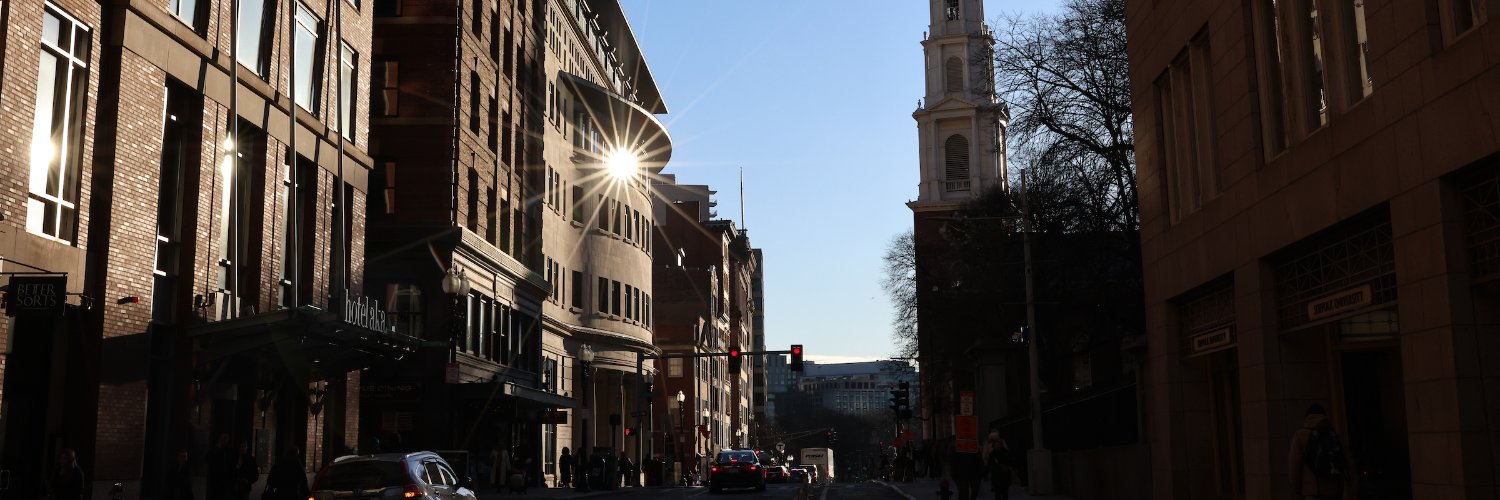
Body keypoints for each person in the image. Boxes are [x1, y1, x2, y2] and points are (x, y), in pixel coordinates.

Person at [1288, 404, 1349, 500]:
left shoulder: (1300, 435)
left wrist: (1298, 491)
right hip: (1334, 491)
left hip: (1313, 491)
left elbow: (1294, 467)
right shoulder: (1334, 434)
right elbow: (1346, 462)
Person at [983, 433, 1012, 500]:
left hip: (1000, 473)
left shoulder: (991, 449)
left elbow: (985, 456)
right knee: (1001, 492)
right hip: (1000, 473)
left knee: (1001, 492)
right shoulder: (1002, 450)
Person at [207, 434, 233, 500]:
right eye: (222, 439)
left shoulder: (229, 450)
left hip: (225, 481)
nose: (224, 441)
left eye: (226, 439)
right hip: (215, 480)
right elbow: (207, 459)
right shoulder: (215, 449)